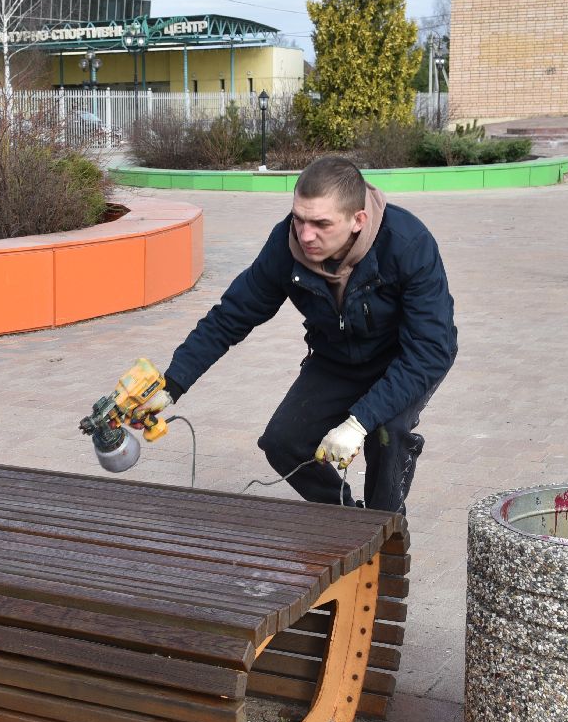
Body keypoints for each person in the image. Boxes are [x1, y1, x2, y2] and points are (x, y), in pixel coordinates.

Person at [136, 155, 457, 514]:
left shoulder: (408, 244)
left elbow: (430, 351)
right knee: (283, 443)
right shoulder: (285, 245)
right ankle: (346, 518)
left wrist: (359, 421)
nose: (305, 235)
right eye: (299, 218)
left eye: (320, 223)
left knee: (386, 435)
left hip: (403, 359)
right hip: (337, 358)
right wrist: (172, 385)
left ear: (357, 220)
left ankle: (387, 530)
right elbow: (231, 316)